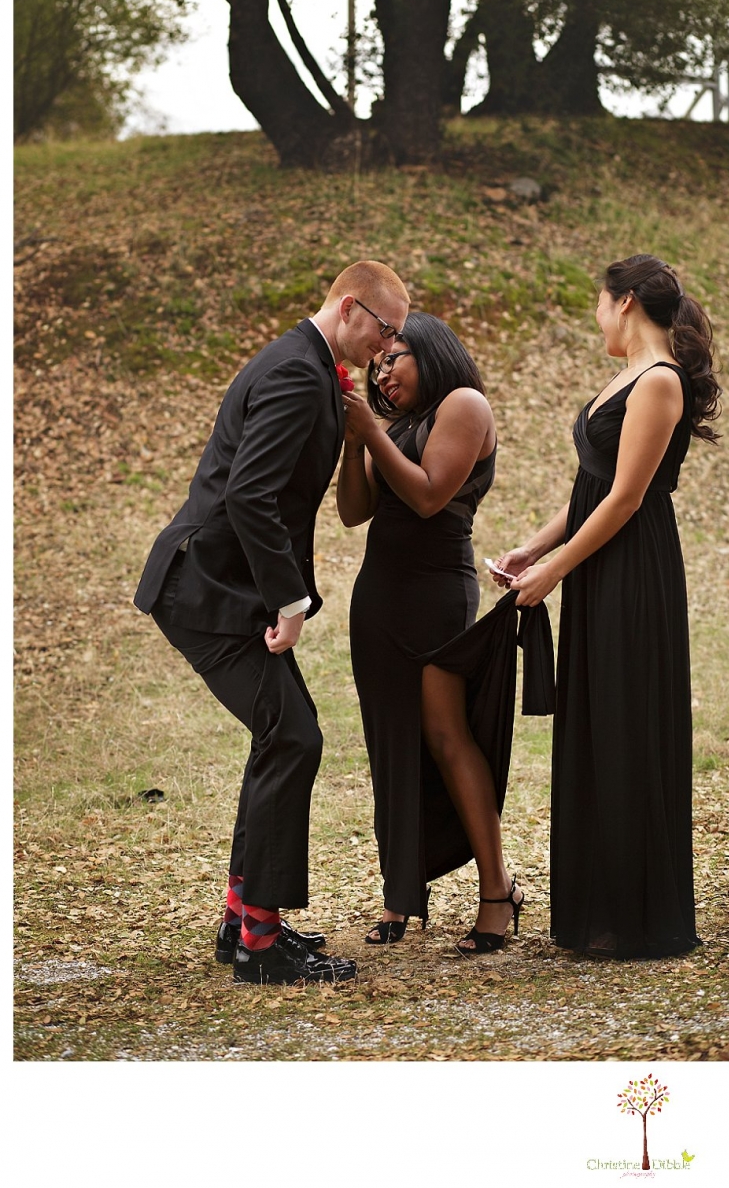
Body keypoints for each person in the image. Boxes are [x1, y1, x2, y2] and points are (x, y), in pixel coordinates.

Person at [134, 261, 410, 985]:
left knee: (283, 733)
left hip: (224, 588)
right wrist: (289, 602)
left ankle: (243, 920)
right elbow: (253, 496)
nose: (388, 348)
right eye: (386, 331)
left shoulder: (308, 364)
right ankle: (260, 939)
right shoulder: (295, 372)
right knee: (293, 735)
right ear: (350, 310)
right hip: (206, 590)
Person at [493, 254, 721, 959]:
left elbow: (627, 498)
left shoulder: (658, 383)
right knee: (595, 718)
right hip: (597, 562)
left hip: (632, 569)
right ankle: (598, 905)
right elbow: (592, 487)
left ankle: (635, 914)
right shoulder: (625, 377)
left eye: (598, 302)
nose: (595, 316)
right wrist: (533, 550)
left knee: (626, 718)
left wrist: (558, 568)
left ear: (624, 302)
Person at [338, 313, 553, 955]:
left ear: (430, 354)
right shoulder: (392, 426)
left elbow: (431, 496)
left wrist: (370, 431)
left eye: (393, 357)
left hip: (435, 590)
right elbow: (354, 511)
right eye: (376, 364)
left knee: (443, 733)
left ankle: (498, 889)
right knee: (391, 741)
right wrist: (357, 440)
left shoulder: (463, 404)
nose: (382, 370)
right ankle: (401, 893)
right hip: (380, 594)